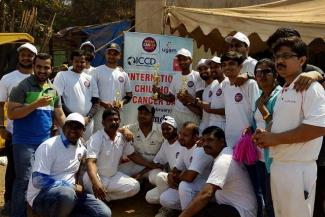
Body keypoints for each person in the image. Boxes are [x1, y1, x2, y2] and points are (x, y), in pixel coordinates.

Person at [253, 37, 325, 217]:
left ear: (301, 60)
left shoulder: (311, 88)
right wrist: (265, 134)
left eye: (286, 56)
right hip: (278, 166)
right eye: (276, 56)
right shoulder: (286, 88)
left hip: (298, 170)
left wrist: (275, 139)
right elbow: (280, 123)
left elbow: (318, 127)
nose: (279, 61)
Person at [7, 53, 66, 217]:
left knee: (40, 179)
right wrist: (36, 104)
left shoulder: (53, 89)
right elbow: (12, 114)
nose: (42, 70)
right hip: (24, 142)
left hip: (45, 143)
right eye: (39, 66)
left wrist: (71, 131)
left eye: (46, 67)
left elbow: (59, 114)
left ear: (51, 68)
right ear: (33, 67)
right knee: (24, 180)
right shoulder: (22, 87)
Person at [26, 113, 111, 217]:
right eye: (70, 125)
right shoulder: (49, 146)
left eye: (78, 127)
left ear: (83, 131)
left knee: (104, 213)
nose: (73, 129)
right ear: (64, 127)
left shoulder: (81, 149)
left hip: (69, 196)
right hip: (41, 196)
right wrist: (71, 186)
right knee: (67, 194)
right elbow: (38, 180)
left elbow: (86, 167)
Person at [84, 108, 161, 202]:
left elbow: (133, 155)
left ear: (120, 121)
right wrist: (96, 182)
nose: (114, 122)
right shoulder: (96, 138)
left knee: (135, 187)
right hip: (95, 177)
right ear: (103, 122)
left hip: (112, 177)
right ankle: (98, 193)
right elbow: (90, 162)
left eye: (116, 119)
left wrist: (151, 165)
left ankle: (105, 198)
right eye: (110, 120)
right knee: (93, 184)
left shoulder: (121, 137)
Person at [179, 126, 257, 217]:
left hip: (241, 212)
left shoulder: (223, 160)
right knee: (197, 209)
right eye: (203, 140)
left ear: (222, 141)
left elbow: (207, 193)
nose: (205, 144)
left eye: (210, 140)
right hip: (231, 207)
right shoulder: (225, 153)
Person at [0, 42, 37, 216]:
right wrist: (1, 126)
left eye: (29, 55)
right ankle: (9, 203)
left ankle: (29, 203)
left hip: (37, 134)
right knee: (13, 170)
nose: (26, 58)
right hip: (14, 133)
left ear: (34, 57)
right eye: (23, 55)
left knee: (32, 171)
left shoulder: (42, 77)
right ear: (19, 57)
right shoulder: (7, 79)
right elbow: (1, 105)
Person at [159, 122, 214, 214]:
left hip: (207, 190)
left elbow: (189, 177)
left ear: (195, 137)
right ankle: (191, 211)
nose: (180, 137)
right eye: (180, 133)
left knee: (184, 185)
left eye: (185, 135)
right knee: (165, 198)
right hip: (193, 187)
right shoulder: (184, 147)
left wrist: (176, 177)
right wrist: (171, 175)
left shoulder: (200, 150)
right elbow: (177, 168)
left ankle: (188, 214)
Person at [54, 50, 100, 140]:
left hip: (87, 122)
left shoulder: (90, 78)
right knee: (66, 148)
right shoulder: (62, 75)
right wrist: (74, 117)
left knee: (84, 149)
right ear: (71, 61)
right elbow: (58, 100)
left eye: (82, 62)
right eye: (76, 61)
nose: (79, 64)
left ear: (86, 62)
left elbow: (96, 102)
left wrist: (89, 117)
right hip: (68, 121)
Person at [153, 48, 205, 128]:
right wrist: (159, 93)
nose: (182, 62)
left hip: (192, 115)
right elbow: (171, 98)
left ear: (191, 60)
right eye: (179, 60)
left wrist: (186, 100)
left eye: (184, 59)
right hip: (177, 114)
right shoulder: (176, 77)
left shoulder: (197, 76)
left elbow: (199, 100)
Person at [220, 51, 260, 148]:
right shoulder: (224, 85)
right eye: (224, 65)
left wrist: (252, 130)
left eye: (231, 64)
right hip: (229, 137)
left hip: (248, 138)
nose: (227, 67)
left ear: (240, 66)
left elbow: (257, 111)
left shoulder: (250, 84)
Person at [92, 42, 132, 132]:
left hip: (117, 114)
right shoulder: (97, 71)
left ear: (119, 56)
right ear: (105, 55)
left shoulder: (123, 74)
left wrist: (121, 102)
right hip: (100, 115)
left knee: (117, 139)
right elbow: (91, 94)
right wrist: (103, 104)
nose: (111, 56)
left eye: (115, 54)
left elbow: (129, 95)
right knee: (99, 140)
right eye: (109, 53)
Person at [118, 104, 164, 178]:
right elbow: (115, 131)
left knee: (159, 178)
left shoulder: (161, 130)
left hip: (154, 167)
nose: (142, 116)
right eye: (140, 113)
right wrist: (124, 130)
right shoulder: (132, 128)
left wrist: (141, 174)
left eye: (146, 114)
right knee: (116, 172)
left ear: (153, 117)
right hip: (136, 164)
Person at [145, 116, 182, 204]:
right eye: (163, 129)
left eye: (168, 129)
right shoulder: (166, 143)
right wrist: (139, 174)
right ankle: (167, 198)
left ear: (175, 129)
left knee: (160, 176)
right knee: (149, 196)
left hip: (181, 179)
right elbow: (156, 162)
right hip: (171, 178)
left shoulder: (182, 142)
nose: (165, 131)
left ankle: (167, 205)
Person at [195, 56, 226, 131]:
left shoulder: (227, 83)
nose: (213, 70)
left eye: (216, 67)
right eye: (211, 67)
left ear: (223, 67)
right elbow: (212, 105)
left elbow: (228, 110)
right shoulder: (215, 86)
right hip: (211, 125)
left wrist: (209, 109)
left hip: (223, 126)